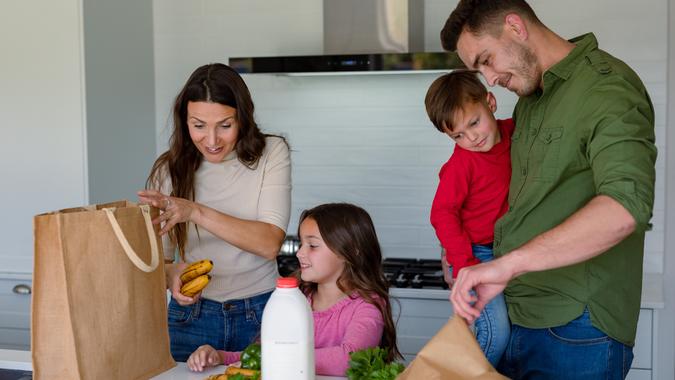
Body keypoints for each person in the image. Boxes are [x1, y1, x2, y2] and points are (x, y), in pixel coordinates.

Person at [440, 1, 657, 378]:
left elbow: (625, 207)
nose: (489, 79)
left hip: (576, 326)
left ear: (515, 26)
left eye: (487, 59)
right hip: (519, 314)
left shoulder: (606, 88)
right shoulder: (530, 102)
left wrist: (506, 265)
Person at [138, 63, 291, 362]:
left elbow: (269, 243)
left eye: (224, 125)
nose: (211, 140)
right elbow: (158, 262)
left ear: (243, 118)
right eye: (198, 126)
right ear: (185, 122)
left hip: (260, 311)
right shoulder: (169, 170)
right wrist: (171, 275)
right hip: (190, 316)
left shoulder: (271, 153)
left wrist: (194, 211)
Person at [185, 203, 401, 376]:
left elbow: (349, 359)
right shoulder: (297, 299)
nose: (299, 253)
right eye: (301, 244)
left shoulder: (366, 305)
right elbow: (263, 353)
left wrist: (279, 358)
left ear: (350, 252)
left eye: (313, 245)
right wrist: (221, 357)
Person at [425, 70, 514, 367]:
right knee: (497, 332)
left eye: (474, 123)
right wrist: (464, 264)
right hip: (474, 253)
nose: (472, 138)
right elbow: (442, 213)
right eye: (458, 135)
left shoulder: (518, 132)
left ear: (491, 101)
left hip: (506, 251)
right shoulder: (460, 164)